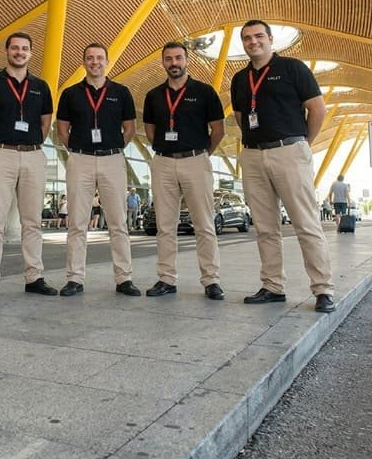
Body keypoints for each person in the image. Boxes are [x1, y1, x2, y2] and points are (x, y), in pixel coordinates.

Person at [230, 19, 335, 313]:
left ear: (270, 39)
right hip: (253, 155)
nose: (254, 42)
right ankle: (273, 285)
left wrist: (302, 143)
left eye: (259, 36)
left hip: (288, 151)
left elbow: (317, 109)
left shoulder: (293, 68)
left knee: (305, 223)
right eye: (248, 38)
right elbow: (241, 117)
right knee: (264, 227)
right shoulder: (239, 79)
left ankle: (323, 289)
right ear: (244, 43)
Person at [0, 31, 57, 299]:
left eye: (25, 48)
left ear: (31, 53)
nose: (19, 52)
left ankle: (34, 277)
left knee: (32, 221)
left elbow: (46, 123)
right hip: (0, 154)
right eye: (15, 48)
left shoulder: (41, 86)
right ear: (6, 51)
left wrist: (30, 145)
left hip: (33, 155)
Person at [56, 42, 141, 297]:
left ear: (107, 62)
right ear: (84, 62)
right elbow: (62, 129)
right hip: (80, 159)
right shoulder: (71, 94)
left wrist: (114, 148)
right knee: (77, 223)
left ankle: (124, 278)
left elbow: (129, 128)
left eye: (100, 58)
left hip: (112, 159)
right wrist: (79, 148)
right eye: (90, 58)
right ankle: (74, 279)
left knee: (118, 222)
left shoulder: (121, 92)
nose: (95, 62)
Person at [143, 41, 225, 300]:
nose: (174, 63)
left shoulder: (204, 92)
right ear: (163, 62)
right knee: (165, 226)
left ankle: (211, 280)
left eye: (178, 58)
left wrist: (201, 155)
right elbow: (150, 131)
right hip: (164, 162)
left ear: (187, 60)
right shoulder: (154, 95)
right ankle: (166, 279)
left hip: (195, 160)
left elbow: (218, 130)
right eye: (168, 59)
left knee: (203, 224)